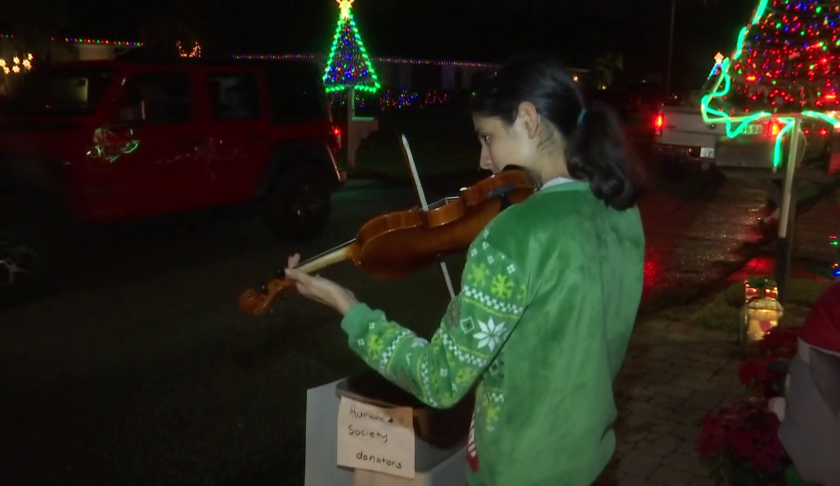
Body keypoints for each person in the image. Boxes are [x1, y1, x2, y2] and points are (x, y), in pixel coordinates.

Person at [284, 52, 646, 485]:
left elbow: (438, 379)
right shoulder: (622, 212)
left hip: (522, 471)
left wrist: (350, 308)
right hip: (591, 461)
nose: (482, 160)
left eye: (487, 137)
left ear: (528, 120)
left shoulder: (513, 234)